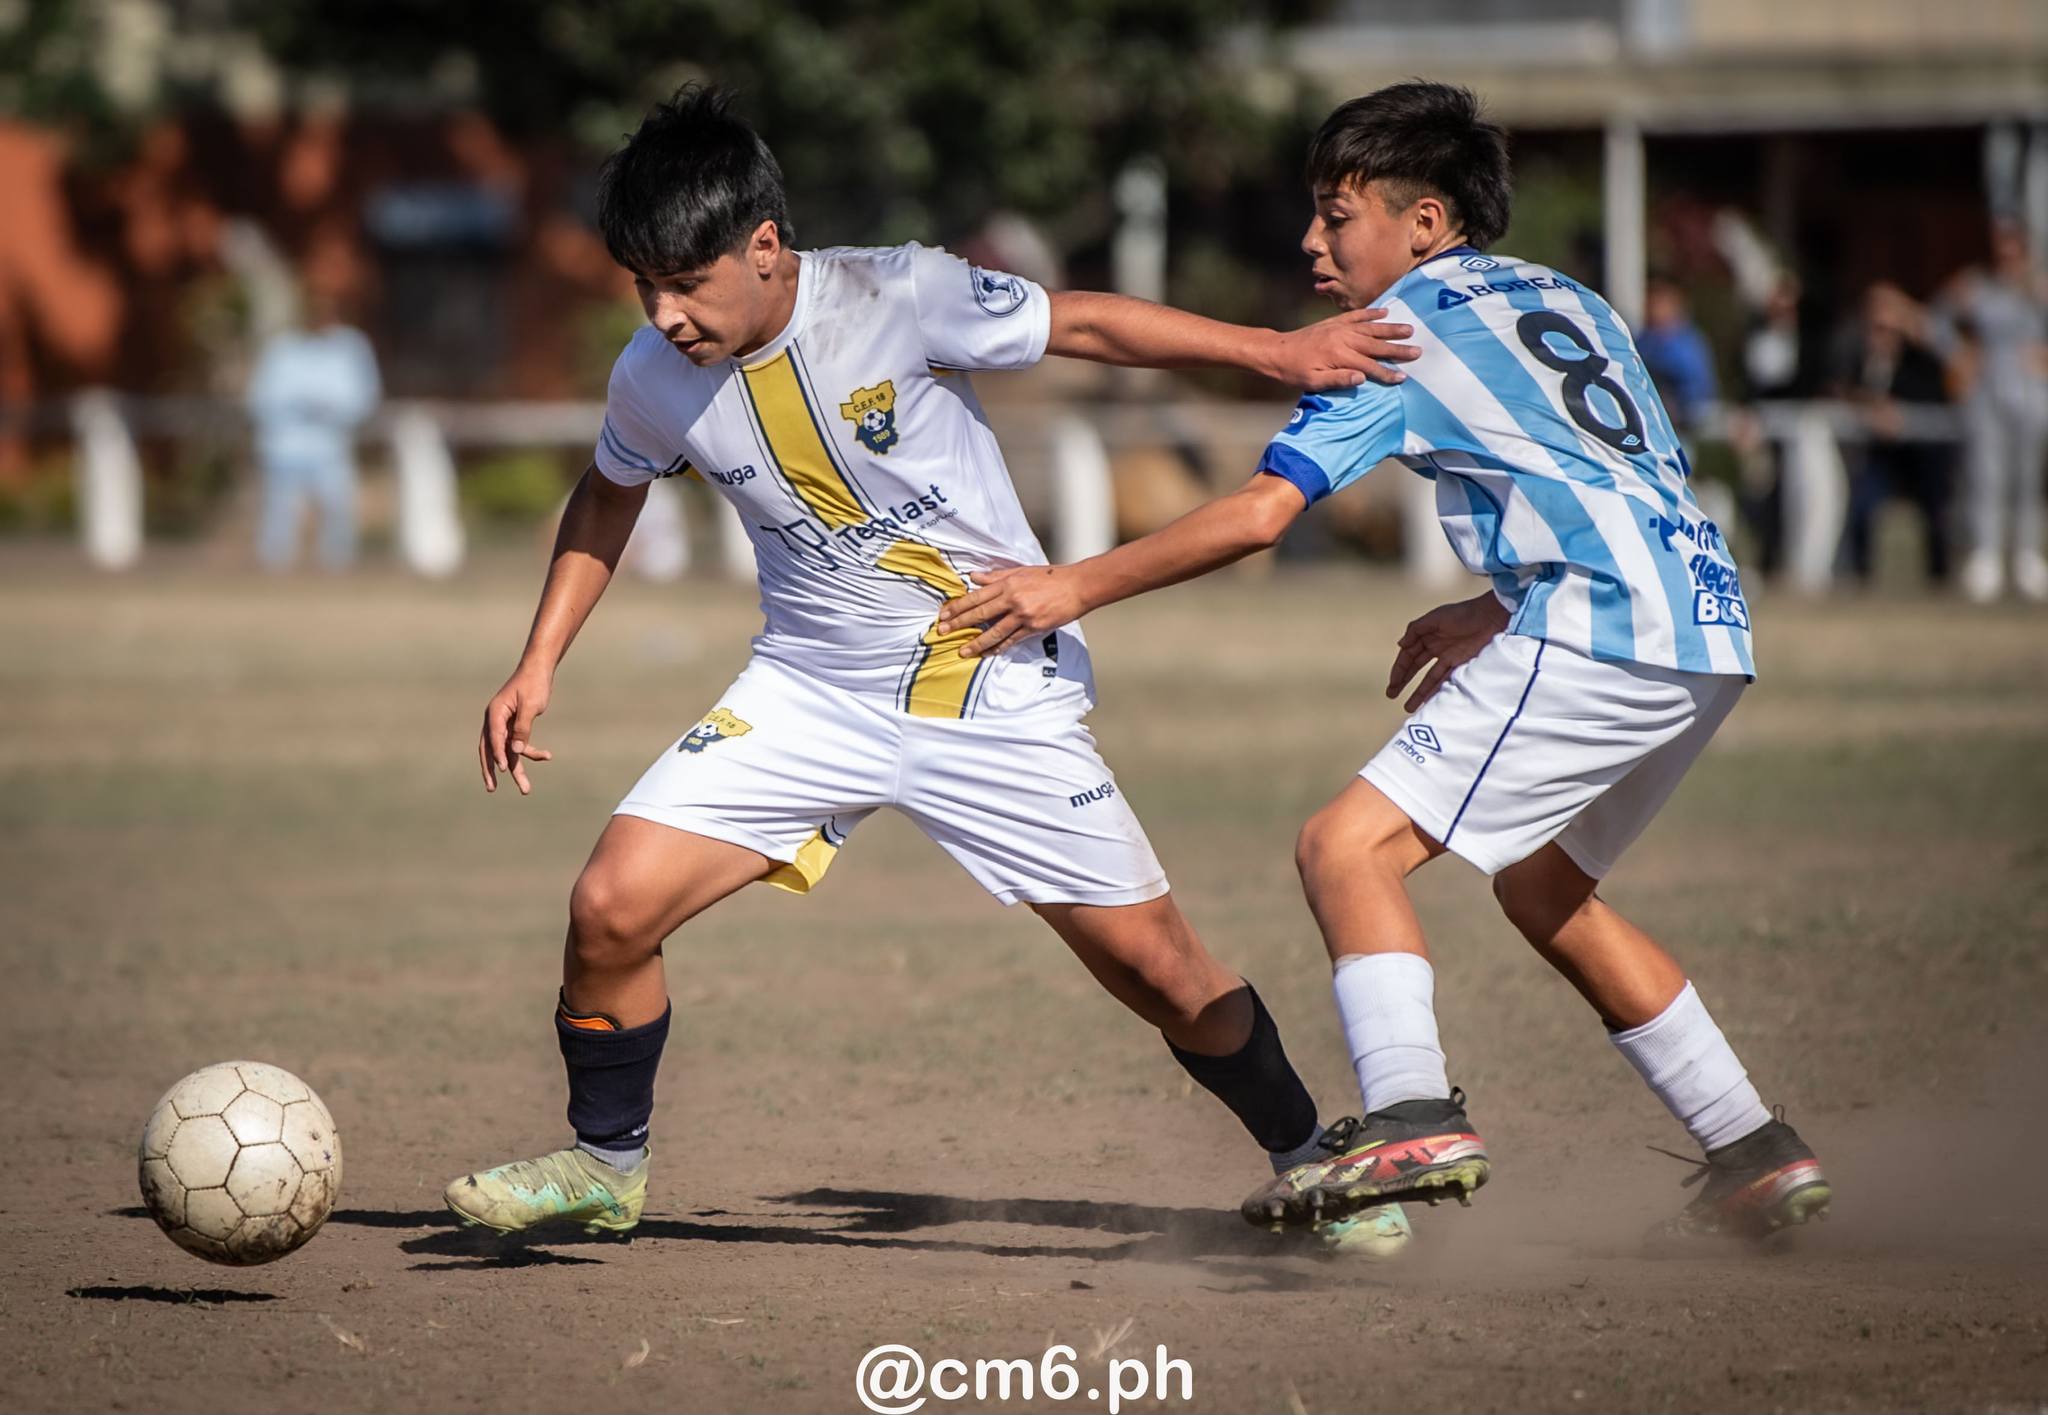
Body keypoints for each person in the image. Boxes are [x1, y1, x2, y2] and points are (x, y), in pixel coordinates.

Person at [445, 87, 1424, 1256]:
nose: (662, 314)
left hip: (988, 677)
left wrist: (1273, 348)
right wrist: (536, 660)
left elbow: (1083, 324)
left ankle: (1312, 1161)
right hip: (808, 688)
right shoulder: (651, 375)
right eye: (641, 285)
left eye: (684, 282)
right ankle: (604, 1167)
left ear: (764, 247)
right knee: (608, 907)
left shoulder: (895, 290)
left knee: (1160, 971)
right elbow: (610, 491)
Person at [939, 81, 1831, 1243]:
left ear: (1423, 222)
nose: (1311, 241)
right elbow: (1610, 480)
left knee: (1342, 846)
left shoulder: (1389, 336)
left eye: (1335, 213)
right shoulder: (1563, 295)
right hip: (1704, 626)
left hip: (1603, 622)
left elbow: (1259, 516)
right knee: (1544, 887)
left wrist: (1067, 585)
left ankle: (1410, 1112)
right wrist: (1494, 603)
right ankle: (1751, 1144)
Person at [1930, 217, 2048, 603]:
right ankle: (1987, 558)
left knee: (2027, 477)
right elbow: (1937, 320)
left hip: (2030, 390)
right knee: (1986, 474)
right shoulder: (1977, 286)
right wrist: (1960, 355)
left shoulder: (2037, 288)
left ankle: (2028, 558)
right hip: (1988, 388)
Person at [247, 285, 381, 570]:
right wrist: (299, 404)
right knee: (280, 513)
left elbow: (363, 397)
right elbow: (263, 397)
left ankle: (337, 568)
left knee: (337, 509)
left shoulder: (350, 347)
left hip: (331, 445)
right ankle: (275, 569)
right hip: (285, 444)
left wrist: (331, 408)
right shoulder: (282, 348)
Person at [1829, 282, 1955, 586]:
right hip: (1878, 460)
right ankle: (1860, 580)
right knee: (1860, 505)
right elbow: (1836, 390)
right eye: (1876, 327)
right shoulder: (1854, 356)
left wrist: (1901, 415)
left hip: (1919, 459)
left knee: (1937, 508)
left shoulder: (1919, 363)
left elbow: (1937, 396)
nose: (1881, 335)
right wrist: (1870, 406)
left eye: (1888, 328)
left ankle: (1939, 579)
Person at [1637, 276, 1719, 440]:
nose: (1652, 309)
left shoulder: (1688, 341)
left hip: (1689, 417)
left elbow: (1696, 383)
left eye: (1658, 303)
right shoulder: (1644, 340)